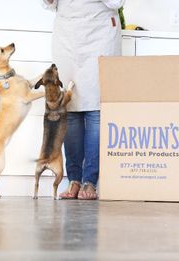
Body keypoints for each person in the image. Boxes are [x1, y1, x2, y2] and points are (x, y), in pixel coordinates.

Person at [42, 0, 125, 200]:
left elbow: (117, 2)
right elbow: (49, 4)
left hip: (101, 34)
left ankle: (90, 181)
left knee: (96, 109)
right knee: (70, 108)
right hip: (67, 36)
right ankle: (74, 179)